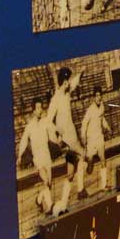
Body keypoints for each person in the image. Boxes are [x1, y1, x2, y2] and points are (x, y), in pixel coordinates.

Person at [48, 67, 87, 208]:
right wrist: (56, 136)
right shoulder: (56, 99)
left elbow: (75, 82)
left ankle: (63, 202)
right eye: (67, 80)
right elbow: (49, 120)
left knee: (70, 173)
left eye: (69, 80)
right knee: (84, 155)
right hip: (67, 137)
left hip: (71, 136)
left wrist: (81, 72)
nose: (69, 83)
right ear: (63, 82)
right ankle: (81, 189)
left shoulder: (66, 92)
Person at [17, 100, 57, 214]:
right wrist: (20, 155)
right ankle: (50, 207)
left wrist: (59, 138)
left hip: (46, 154)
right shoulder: (30, 126)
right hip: (38, 157)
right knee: (45, 180)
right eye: (38, 108)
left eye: (41, 108)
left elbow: (53, 132)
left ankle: (39, 199)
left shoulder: (45, 122)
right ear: (34, 110)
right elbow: (24, 140)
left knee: (48, 183)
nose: (40, 110)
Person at [81, 86, 111, 193]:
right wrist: (83, 137)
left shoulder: (102, 106)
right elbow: (84, 123)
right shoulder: (90, 110)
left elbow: (102, 119)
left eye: (100, 95)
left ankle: (104, 185)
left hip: (99, 138)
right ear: (94, 97)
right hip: (91, 139)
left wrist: (107, 127)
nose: (98, 97)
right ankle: (85, 168)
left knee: (103, 160)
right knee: (89, 167)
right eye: (96, 95)